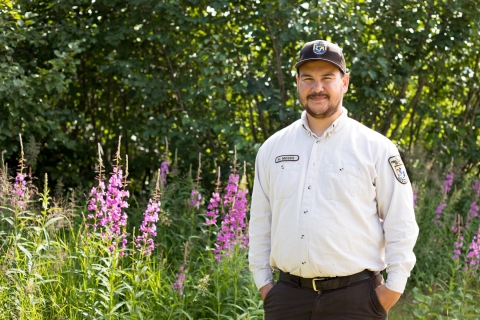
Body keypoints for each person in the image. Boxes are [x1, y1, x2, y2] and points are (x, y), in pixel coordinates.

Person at [248, 40, 419, 319]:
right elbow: (260, 221)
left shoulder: (375, 147)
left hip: (356, 301)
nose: (317, 88)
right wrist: (264, 284)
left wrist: (392, 290)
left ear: (345, 82)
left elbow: (400, 220)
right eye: (308, 79)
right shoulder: (273, 148)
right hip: (287, 299)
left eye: (327, 78)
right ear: (298, 83)